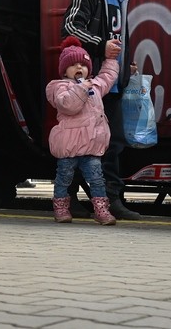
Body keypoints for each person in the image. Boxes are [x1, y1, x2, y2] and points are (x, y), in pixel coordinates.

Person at [61, 0, 140, 220]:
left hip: (114, 79)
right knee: (79, 140)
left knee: (113, 142)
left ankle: (110, 201)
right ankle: (66, 199)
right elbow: (70, 26)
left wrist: (125, 62)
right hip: (90, 80)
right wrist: (100, 45)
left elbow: (119, 35)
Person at [48, 36, 122, 225]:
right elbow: (67, 105)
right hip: (69, 147)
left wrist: (111, 60)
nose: (79, 68)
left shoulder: (94, 86)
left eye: (83, 64)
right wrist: (81, 89)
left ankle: (101, 210)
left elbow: (107, 77)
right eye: (74, 65)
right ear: (64, 70)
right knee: (64, 178)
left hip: (91, 146)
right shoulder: (59, 87)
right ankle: (61, 208)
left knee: (97, 179)